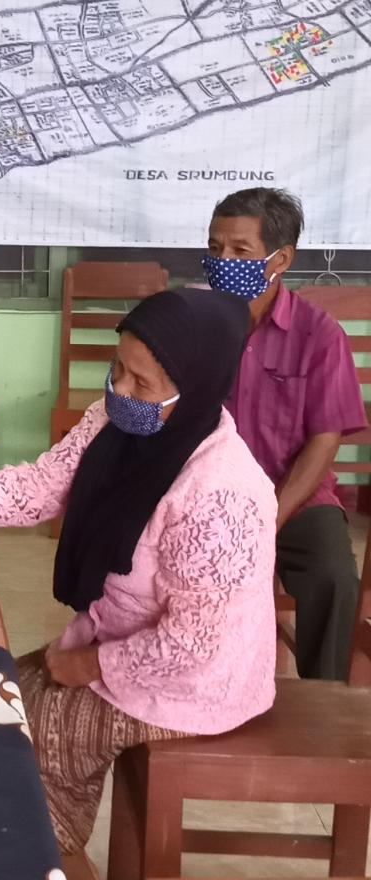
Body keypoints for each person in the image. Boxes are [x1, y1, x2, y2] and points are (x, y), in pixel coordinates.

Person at [0, 288, 277, 872]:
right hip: (119, 642)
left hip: (189, 682)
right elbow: (44, 485)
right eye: (118, 369)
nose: (120, 391)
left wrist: (88, 665)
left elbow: (192, 646)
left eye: (143, 383)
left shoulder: (221, 494)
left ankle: (48, 859)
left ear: (197, 389)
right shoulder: (115, 423)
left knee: (18, 761)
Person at [203, 187, 366, 681]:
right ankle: (195, 687)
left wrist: (270, 515)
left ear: (281, 259)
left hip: (294, 498)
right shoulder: (191, 323)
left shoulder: (320, 334)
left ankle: (325, 698)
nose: (223, 262)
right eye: (215, 248)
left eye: (240, 250)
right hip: (208, 495)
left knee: (333, 578)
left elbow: (325, 438)